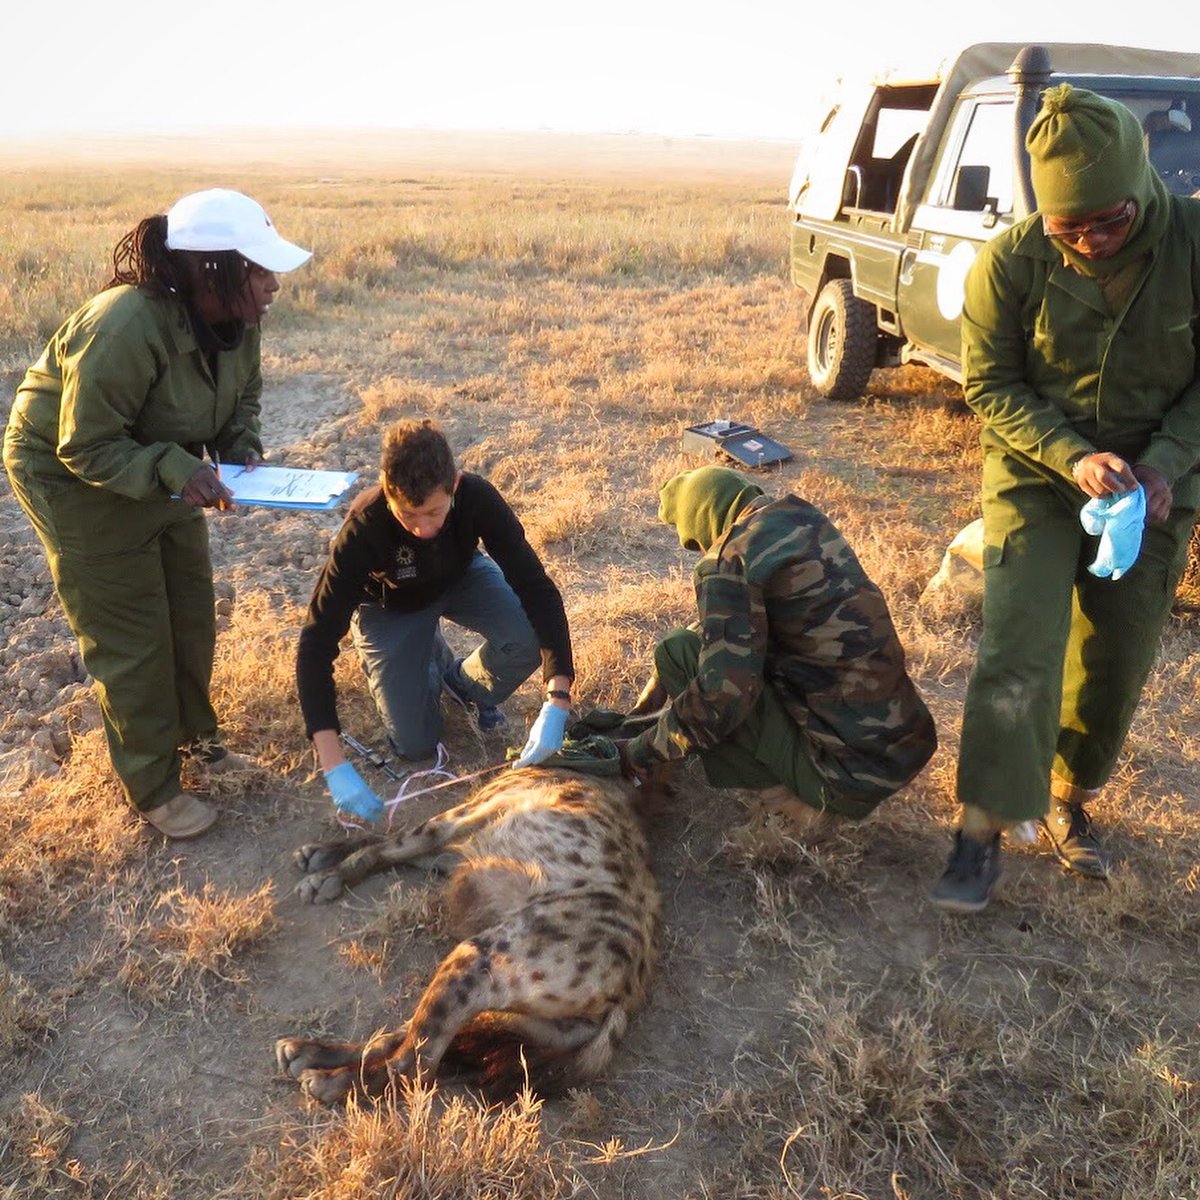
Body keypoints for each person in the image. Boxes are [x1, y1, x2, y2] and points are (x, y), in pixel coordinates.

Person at [932, 85, 1200, 912]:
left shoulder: (1193, 242)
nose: (1087, 241)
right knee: (1021, 645)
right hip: (1039, 474)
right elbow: (992, 384)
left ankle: (1066, 798)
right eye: (1066, 228)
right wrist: (1073, 456)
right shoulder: (1012, 261)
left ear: (1142, 186)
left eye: (1107, 222)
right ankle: (979, 830)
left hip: (1157, 482)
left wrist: (1165, 464)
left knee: (1116, 654)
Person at [3, 188, 311, 839]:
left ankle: (200, 744)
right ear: (214, 271)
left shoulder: (236, 323)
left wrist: (238, 450)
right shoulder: (124, 325)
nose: (274, 285)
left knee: (191, 609)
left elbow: (243, 396)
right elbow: (83, 442)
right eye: (261, 271)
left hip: (163, 464)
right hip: (72, 475)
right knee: (133, 633)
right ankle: (153, 784)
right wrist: (177, 470)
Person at [618, 466, 937, 835]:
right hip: (905, 745)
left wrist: (641, 751)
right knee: (703, 642)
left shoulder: (729, 561)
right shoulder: (802, 518)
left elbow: (722, 697)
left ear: (703, 519)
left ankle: (788, 801)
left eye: (695, 543)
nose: (701, 551)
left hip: (848, 778)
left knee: (679, 651)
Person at [296, 419, 575, 823]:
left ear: (455, 485)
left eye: (434, 512)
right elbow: (316, 642)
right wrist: (333, 762)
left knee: (527, 635)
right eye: (407, 513)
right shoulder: (363, 528)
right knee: (415, 744)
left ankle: (459, 683)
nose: (422, 527)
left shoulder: (477, 497)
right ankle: (418, 653)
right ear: (387, 493)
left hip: (459, 576)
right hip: (388, 605)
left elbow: (537, 589)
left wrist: (558, 701)